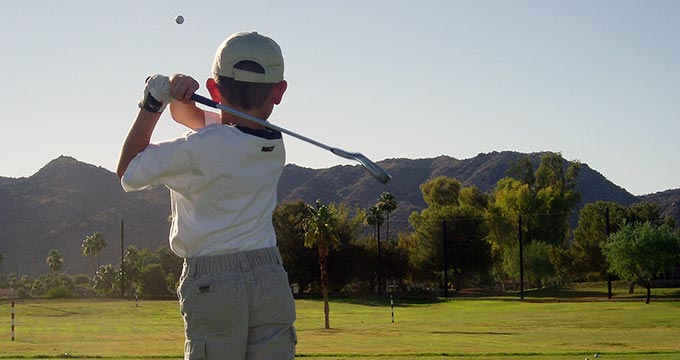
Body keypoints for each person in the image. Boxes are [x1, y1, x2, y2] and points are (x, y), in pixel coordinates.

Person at [116, 31, 296, 359]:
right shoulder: (273, 144)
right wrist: (180, 98)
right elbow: (196, 119)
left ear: (213, 88)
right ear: (279, 91)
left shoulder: (199, 148)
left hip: (213, 280)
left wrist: (155, 100)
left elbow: (128, 172)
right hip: (269, 274)